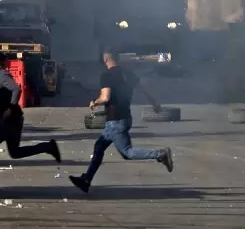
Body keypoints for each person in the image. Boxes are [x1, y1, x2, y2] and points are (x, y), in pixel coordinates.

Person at [69, 49, 173, 193]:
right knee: (99, 146)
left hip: (115, 121)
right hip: (124, 118)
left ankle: (160, 154)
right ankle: (86, 180)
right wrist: (155, 104)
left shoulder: (107, 75)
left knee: (127, 152)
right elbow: (145, 90)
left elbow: (105, 97)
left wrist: (94, 102)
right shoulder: (128, 74)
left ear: (105, 59)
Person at [0, 51, 61, 191]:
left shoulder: (3, 76)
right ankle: (48, 147)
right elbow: (5, 100)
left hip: (9, 120)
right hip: (14, 119)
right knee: (15, 152)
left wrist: (10, 108)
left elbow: (16, 90)